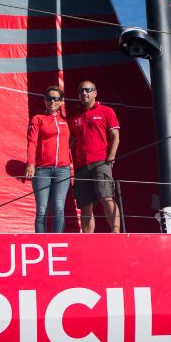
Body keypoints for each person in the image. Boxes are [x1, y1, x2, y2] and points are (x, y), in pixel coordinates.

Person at [69, 80, 120, 233]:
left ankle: (116, 231)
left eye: (87, 90)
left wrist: (111, 156)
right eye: (81, 91)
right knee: (85, 206)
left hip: (100, 162)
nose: (84, 93)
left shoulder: (106, 111)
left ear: (95, 93)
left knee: (106, 197)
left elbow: (115, 136)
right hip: (80, 166)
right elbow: (71, 141)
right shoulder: (74, 117)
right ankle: (87, 238)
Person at [24, 86, 72, 233]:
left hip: (63, 170)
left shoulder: (66, 120)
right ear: (45, 101)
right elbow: (32, 141)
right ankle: (41, 242)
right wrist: (30, 163)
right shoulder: (38, 119)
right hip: (42, 170)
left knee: (58, 208)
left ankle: (57, 241)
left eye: (56, 99)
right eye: (49, 99)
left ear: (61, 101)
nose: (52, 102)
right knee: (42, 209)